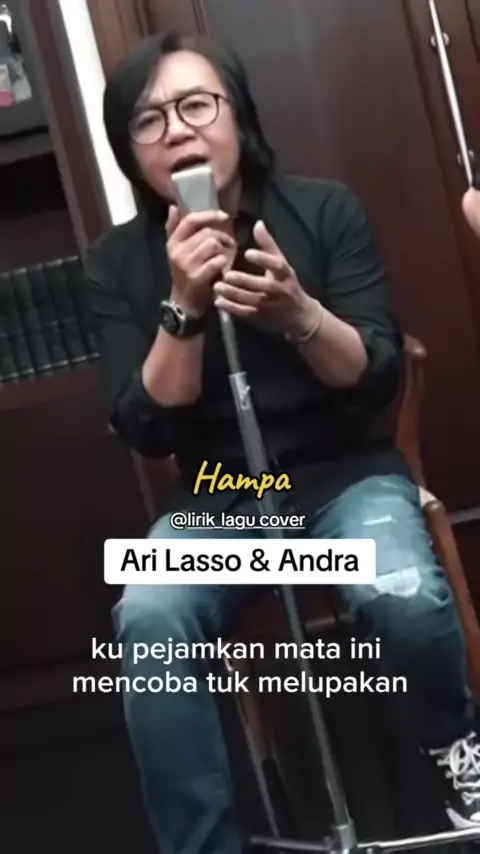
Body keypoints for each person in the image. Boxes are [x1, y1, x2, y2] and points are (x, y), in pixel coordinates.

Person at [83, 31, 480, 854]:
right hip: (223, 500)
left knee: (403, 593)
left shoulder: (324, 211)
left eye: (196, 106)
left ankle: (457, 760)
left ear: (238, 116)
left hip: (347, 478)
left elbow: (375, 377)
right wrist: (183, 307)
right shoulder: (119, 263)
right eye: (150, 120)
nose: (178, 131)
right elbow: (145, 425)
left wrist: (300, 314)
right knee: (150, 610)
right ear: (130, 150)